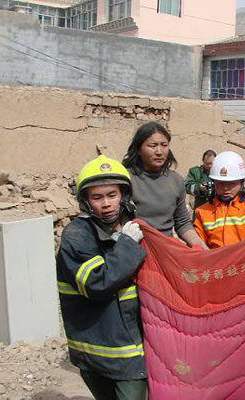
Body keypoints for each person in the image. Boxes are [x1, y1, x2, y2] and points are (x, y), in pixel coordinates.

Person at [56, 155, 148, 400]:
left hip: (128, 343)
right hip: (101, 348)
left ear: (124, 196)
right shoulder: (77, 235)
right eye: (97, 197)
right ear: (86, 201)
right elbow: (97, 282)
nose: (106, 203)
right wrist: (127, 245)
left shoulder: (131, 226)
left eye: (112, 195)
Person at [122, 121, 207, 248]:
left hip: (167, 248)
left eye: (164, 145)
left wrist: (202, 248)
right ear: (139, 149)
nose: (159, 151)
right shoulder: (126, 179)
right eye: (152, 146)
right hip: (136, 248)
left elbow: (182, 222)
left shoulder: (175, 180)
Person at [193, 150, 245, 248]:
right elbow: (198, 248)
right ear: (213, 183)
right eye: (220, 183)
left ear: (241, 183)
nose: (225, 188)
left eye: (231, 183)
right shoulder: (202, 212)